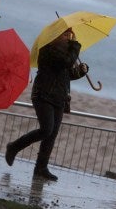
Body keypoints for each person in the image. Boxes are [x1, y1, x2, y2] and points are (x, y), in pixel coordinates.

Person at [5, 29, 88, 181]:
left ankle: (41, 168)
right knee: (46, 129)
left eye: (68, 35)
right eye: (64, 35)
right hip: (43, 95)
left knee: (52, 134)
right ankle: (14, 146)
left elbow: (66, 75)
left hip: (59, 97)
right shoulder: (48, 50)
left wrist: (80, 72)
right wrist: (75, 46)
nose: (68, 38)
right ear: (54, 36)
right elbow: (65, 62)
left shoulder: (65, 52)